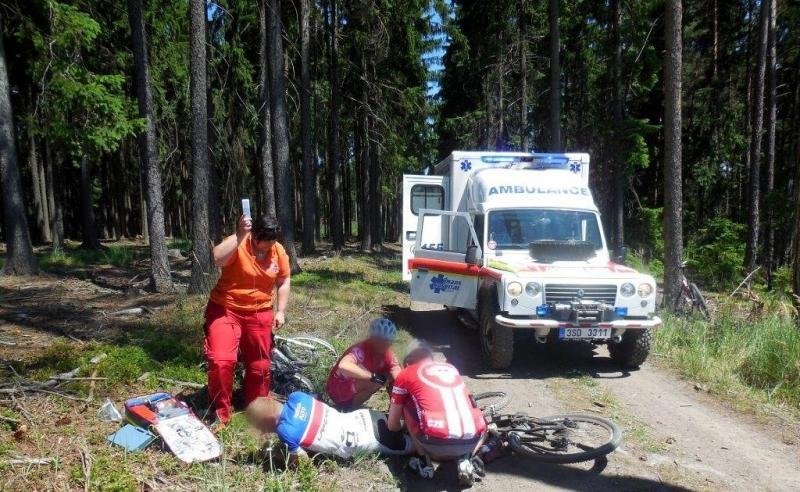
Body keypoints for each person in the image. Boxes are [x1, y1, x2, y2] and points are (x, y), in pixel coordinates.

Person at [204, 214, 291, 426]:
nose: (268, 247)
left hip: (259, 312)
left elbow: (283, 279)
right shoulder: (240, 241)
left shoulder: (278, 251)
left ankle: (256, 408)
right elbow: (216, 257)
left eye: (272, 242)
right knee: (221, 360)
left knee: (260, 365)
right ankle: (221, 412)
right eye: (264, 242)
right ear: (254, 235)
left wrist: (280, 310)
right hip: (225, 309)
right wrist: (240, 234)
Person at [387, 340, 487, 483]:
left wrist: (403, 427)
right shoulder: (451, 368)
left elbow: (392, 425)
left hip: (434, 446)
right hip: (471, 442)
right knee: (480, 419)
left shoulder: (405, 373)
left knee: (405, 404)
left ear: (408, 361)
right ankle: (466, 458)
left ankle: (423, 461)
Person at [246, 392, 413, 461]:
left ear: (268, 421)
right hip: (364, 416)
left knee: (417, 446)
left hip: (367, 439)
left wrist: (280, 457)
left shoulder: (285, 431)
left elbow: (303, 461)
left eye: (262, 427)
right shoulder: (297, 396)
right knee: (412, 427)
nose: (263, 432)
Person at [325, 318, 402, 410]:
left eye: (386, 341)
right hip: (336, 389)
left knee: (393, 379)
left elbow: (399, 375)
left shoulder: (389, 355)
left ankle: (395, 411)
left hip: (352, 388)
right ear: (371, 338)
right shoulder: (360, 350)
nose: (382, 344)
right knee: (375, 382)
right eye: (379, 340)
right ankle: (349, 409)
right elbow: (343, 366)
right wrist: (373, 376)